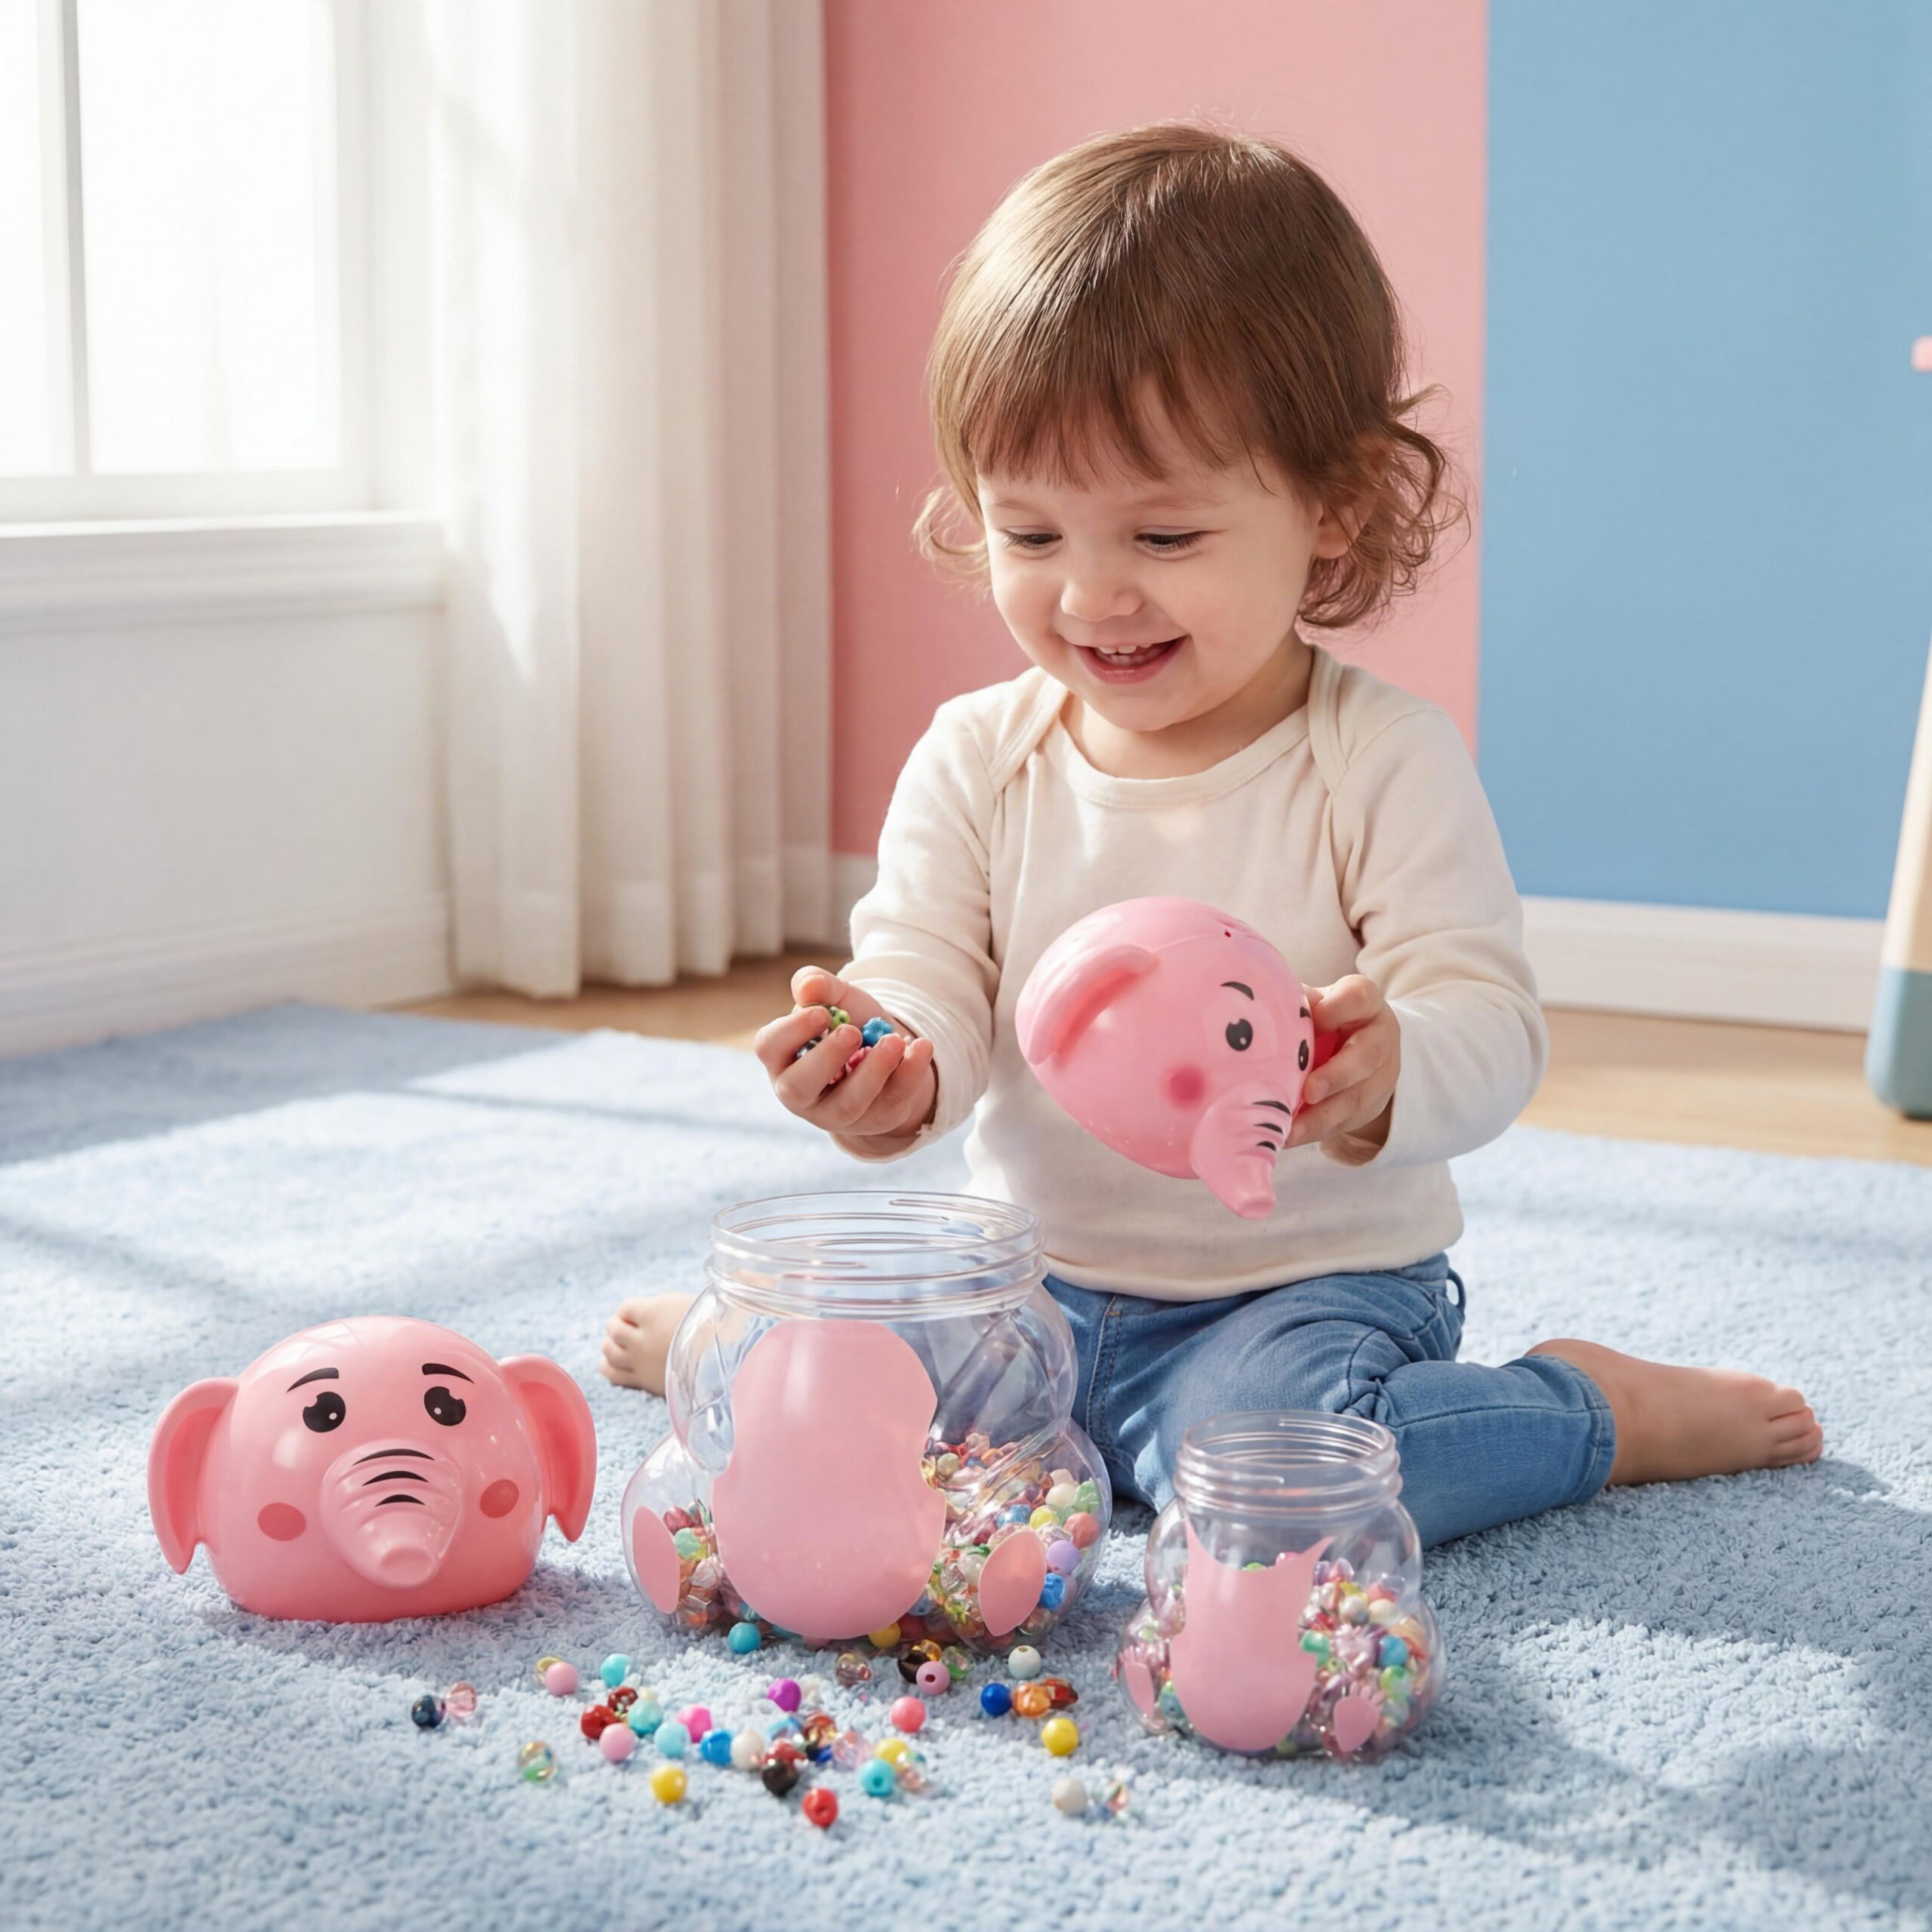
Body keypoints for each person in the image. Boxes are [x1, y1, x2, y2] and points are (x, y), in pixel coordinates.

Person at [602, 120, 1820, 1545]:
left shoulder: (1378, 758)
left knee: (1287, 1490)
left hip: (1301, 1300)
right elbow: (928, 972)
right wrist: (893, 1063)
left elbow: (1489, 1022)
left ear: (1333, 508)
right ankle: (762, 1351)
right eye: (1032, 536)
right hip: (1029, 1293)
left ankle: (1586, 1411)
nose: (1092, 596)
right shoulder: (980, 757)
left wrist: (1387, 1071)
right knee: (808, 1400)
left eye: (1164, 538)